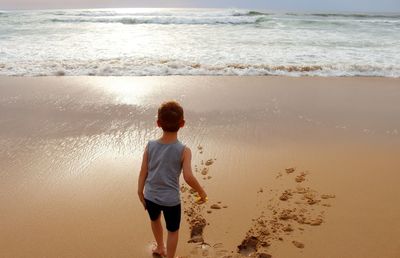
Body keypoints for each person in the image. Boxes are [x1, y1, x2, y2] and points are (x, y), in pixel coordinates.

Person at [137, 101, 207, 258]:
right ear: (182, 124)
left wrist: (140, 191)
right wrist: (201, 192)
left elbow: (143, 172)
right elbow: (188, 176)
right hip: (171, 200)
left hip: (151, 196)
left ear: (158, 123)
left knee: (155, 220)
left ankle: (160, 248)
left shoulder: (150, 146)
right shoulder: (184, 150)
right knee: (173, 230)